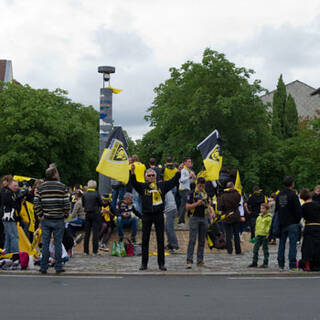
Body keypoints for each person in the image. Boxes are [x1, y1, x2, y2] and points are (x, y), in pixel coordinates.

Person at [130, 164, 182, 271]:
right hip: (147, 215)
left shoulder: (162, 186)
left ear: (156, 176)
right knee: (145, 240)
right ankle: (144, 264)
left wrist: (178, 172)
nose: (151, 177)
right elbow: (134, 183)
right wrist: (132, 173)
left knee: (160, 240)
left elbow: (172, 182)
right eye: (148, 176)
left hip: (158, 214)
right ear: (145, 177)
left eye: (153, 175)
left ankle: (161, 264)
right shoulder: (143, 187)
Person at [34, 167, 70, 274]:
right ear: (54, 174)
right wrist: (65, 214)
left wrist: (41, 214)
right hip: (58, 218)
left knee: (45, 243)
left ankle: (44, 267)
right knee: (58, 243)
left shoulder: (41, 187)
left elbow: (36, 203)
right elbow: (66, 203)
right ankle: (58, 267)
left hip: (46, 218)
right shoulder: (62, 187)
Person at [186, 177, 214, 269]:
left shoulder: (205, 194)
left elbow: (208, 206)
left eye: (203, 185)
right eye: (199, 184)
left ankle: (200, 261)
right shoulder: (191, 193)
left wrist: (211, 213)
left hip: (204, 218)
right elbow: (187, 207)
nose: (201, 186)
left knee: (202, 241)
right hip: (194, 218)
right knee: (192, 240)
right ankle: (189, 261)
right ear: (196, 184)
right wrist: (197, 204)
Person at [276, 176, 302, 271]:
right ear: (292, 184)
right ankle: (292, 264)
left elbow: (277, 210)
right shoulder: (293, 195)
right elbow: (298, 210)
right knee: (292, 245)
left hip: (282, 223)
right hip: (292, 223)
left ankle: (281, 264)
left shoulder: (279, 195)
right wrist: (297, 220)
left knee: (281, 245)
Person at [217, 182, 242, 255]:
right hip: (236, 214)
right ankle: (238, 250)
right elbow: (239, 202)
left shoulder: (223, 196)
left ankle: (229, 250)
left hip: (227, 215)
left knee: (228, 234)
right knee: (236, 234)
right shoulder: (237, 194)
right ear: (233, 187)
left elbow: (220, 207)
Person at [299, 189, 320, 271]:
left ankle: (307, 265)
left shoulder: (303, 207)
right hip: (318, 226)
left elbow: (301, 218)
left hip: (308, 227)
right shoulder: (317, 205)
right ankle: (317, 264)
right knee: (317, 246)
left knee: (307, 247)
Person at [82, 180, 103, 256]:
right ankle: (95, 251)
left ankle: (85, 251)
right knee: (95, 233)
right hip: (96, 214)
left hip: (87, 214)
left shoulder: (84, 194)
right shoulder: (97, 194)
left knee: (87, 233)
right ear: (95, 186)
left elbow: (83, 204)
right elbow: (101, 204)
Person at [248, 203, 272, 268]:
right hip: (258, 235)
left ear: (267, 209)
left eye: (263, 208)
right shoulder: (258, 217)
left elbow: (269, 227)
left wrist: (268, 234)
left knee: (265, 249)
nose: (261, 210)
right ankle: (254, 262)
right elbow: (257, 226)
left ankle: (265, 262)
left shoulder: (269, 218)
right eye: (261, 208)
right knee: (255, 249)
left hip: (264, 235)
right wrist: (255, 234)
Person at [1, 180, 21, 253]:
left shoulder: (10, 193)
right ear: (9, 185)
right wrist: (18, 198)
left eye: (17, 185)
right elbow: (12, 204)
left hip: (8, 217)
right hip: (9, 218)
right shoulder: (7, 193)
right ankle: (15, 255)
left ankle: (7, 254)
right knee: (14, 237)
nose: (17, 187)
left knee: (8, 237)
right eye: (15, 186)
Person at [178, 157, 196, 226]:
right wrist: (189, 176)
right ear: (184, 163)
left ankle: (181, 220)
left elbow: (189, 181)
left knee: (184, 205)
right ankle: (181, 221)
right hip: (183, 190)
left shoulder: (188, 170)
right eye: (188, 161)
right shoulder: (184, 170)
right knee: (184, 205)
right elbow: (182, 180)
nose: (190, 163)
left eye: (190, 161)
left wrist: (193, 177)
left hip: (187, 189)